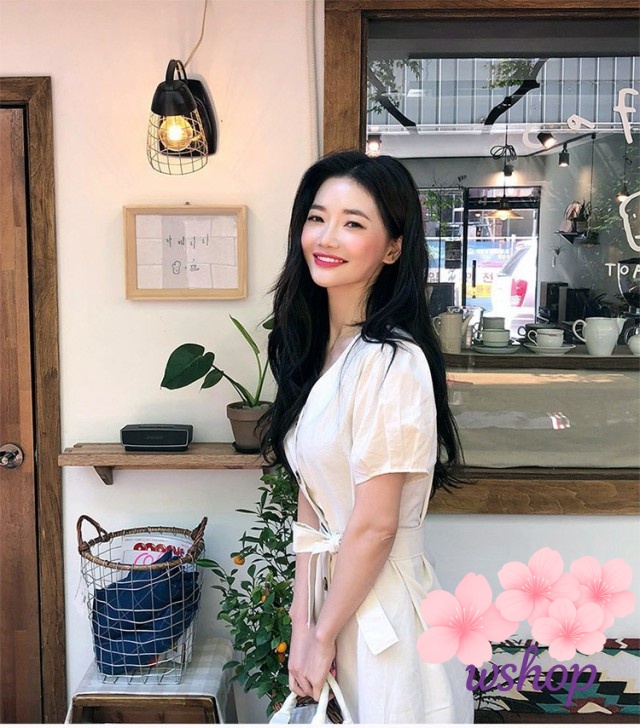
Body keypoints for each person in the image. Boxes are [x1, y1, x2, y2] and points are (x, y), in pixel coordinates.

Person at [263, 150, 473, 723]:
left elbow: (377, 524)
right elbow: (313, 499)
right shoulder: (325, 352)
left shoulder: (393, 361)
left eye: (353, 223)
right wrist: (303, 622)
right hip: (337, 604)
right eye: (317, 217)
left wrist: (322, 631)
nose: (327, 236)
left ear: (393, 247)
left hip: (385, 618)